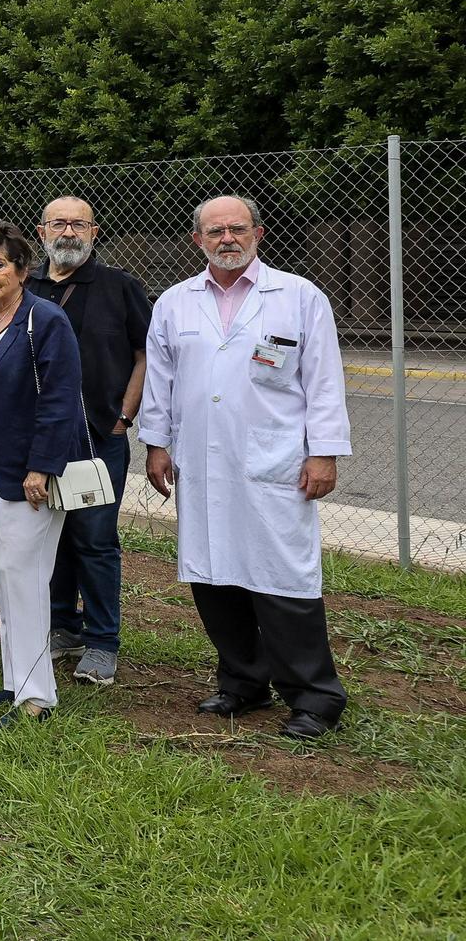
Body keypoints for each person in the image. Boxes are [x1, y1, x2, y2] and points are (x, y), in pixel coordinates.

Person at [139, 196, 352, 742]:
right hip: (202, 462)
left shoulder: (299, 297)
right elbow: (159, 382)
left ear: (258, 233)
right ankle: (243, 680)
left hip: (274, 461)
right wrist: (156, 445)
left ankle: (315, 696)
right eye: (215, 231)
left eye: (237, 229)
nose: (227, 238)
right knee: (213, 574)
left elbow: (323, 379)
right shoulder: (174, 303)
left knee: (283, 578)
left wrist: (323, 450)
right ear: (198, 240)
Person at [0, 221, 87, 725]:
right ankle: (15, 681)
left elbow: (60, 398)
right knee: (3, 574)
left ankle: (35, 699)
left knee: (25, 577)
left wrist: (41, 467)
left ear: (22, 270)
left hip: (26, 470)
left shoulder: (43, 320)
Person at [28, 196, 151, 687]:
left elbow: (147, 354)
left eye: (79, 223)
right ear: (42, 232)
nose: (68, 232)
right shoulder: (26, 285)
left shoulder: (119, 287)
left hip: (99, 436)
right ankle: (63, 626)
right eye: (59, 223)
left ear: (94, 232)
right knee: (50, 537)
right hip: (38, 439)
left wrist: (124, 414)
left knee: (95, 539)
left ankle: (103, 642)